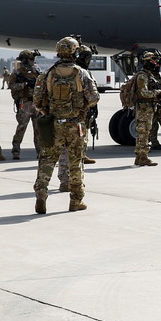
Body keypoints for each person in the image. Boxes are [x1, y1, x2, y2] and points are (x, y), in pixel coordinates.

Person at [32, 36, 100, 214]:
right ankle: (75, 201)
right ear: (75, 52)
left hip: (53, 124)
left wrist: (48, 111)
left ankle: (41, 194)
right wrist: (81, 108)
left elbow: (37, 101)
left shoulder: (46, 74)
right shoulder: (82, 73)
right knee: (75, 163)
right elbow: (94, 98)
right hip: (75, 125)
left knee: (47, 160)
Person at [133, 51, 161, 166]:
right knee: (144, 133)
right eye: (153, 60)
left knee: (144, 132)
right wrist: (157, 92)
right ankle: (143, 157)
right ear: (147, 62)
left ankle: (140, 157)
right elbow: (142, 93)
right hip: (144, 109)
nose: (155, 63)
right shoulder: (142, 75)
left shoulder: (150, 75)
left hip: (150, 108)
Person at [9, 49, 41, 160]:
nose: (33, 61)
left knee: (38, 130)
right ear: (25, 60)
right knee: (21, 128)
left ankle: (40, 152)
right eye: (31, 59)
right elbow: (12, 86)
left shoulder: (36, 70)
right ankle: (16, 151)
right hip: (25, 103)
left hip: (36, 103)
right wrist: (26, 84)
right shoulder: (17, 72)